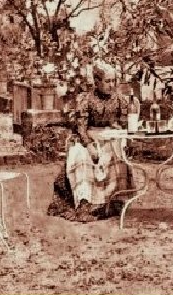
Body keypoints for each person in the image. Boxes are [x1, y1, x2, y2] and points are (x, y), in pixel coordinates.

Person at [47, 62, 134, 223]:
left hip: (109, 137)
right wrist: (89, 144)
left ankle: (112, 201)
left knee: (116, 155)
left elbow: (124, 124)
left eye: (114, 81)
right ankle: (85, 204)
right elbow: (81, 127)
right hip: (86, 137)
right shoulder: (85, 99)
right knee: (82, 157)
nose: (111, 85)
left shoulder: (120, 99)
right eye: (107, 81)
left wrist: (120, 130)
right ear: (97, 81)